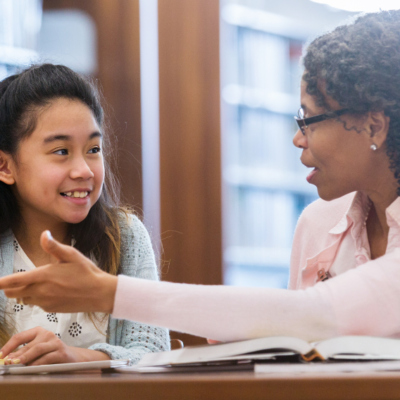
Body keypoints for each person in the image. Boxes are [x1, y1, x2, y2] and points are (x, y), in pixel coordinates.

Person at [1, 10, 400, 348]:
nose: (297, 138)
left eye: (310, 119)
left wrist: (106, 292)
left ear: (374, 126)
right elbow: (306, 348)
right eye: (59, 150)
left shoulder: (121, 235)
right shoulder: (318, 224)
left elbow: (315, 316)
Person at [0, 64, 169, 366]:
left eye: (93, 148)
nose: (84, 170)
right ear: (5, 167)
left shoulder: (124, 236)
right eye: (61, 151)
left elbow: (154, 355)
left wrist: (74, 358)